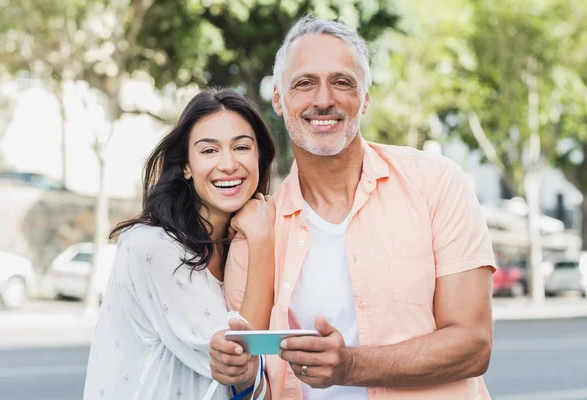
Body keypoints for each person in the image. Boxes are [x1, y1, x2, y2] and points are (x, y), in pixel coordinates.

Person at [210, 15, 496, 400]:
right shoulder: (255, 234)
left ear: (365, 98)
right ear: (279, 99)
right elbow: (254, 384)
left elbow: (474, 345)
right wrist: (239, 376)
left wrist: (350, 365)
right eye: (304, 83)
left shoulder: (437, 183)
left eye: (342, 82)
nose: (324, 99)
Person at [83, 88, 276, 400]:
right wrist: (263, 238)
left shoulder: (235, 247)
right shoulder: (152, 247)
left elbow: (252, 385)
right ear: (186, 165)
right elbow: (243, 353)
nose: (228, 164)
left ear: (259, 158)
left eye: (241, 147)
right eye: (209, 151)